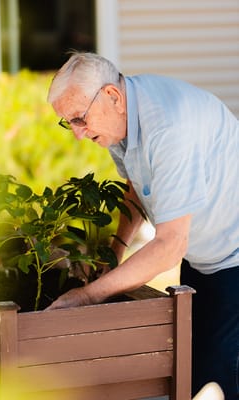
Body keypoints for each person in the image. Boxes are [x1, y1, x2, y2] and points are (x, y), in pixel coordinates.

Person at [45, 52, 239, 399]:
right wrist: (115, 251)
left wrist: (88, 296)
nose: (76, 133)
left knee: (218, 381)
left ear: (112, 97)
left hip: (234, 260)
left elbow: (169, 246)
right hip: (202, 260)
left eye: (78, 118)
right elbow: (135, 188)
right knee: (191, 374)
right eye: (68, 123)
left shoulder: (170, 128)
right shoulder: (121, 120)